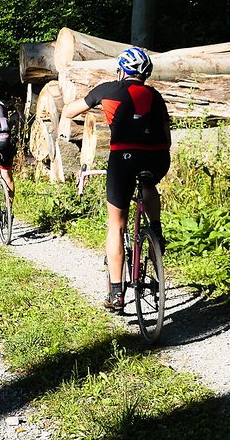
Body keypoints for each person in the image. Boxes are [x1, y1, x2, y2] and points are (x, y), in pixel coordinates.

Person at [62, 46, 171, 312]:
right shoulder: (156, 96)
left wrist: (93, 102)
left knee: (116, 226)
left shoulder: (108, 89)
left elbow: (68, 112)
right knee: (148, 183)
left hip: (123, 159)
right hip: (158, 158)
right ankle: (155, 230)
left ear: (122, 70)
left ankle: (116, 294)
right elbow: (166, 135)